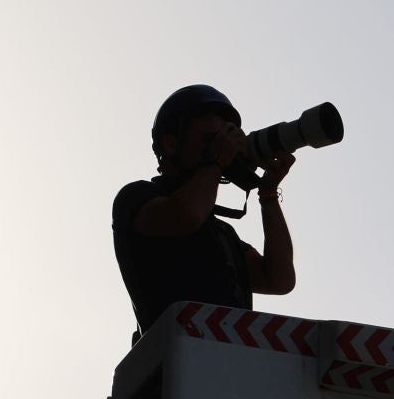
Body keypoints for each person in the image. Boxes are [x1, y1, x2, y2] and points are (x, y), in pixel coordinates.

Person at [112, 84, 297, 335]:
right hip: (171, 364)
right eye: (210, 139)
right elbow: (185, 216)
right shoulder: (137, 197)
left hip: (227, 365)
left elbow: (279, 278)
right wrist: (218, 161)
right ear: (171, 143)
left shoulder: (221, 235)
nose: (224, 147)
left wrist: (268, 194)